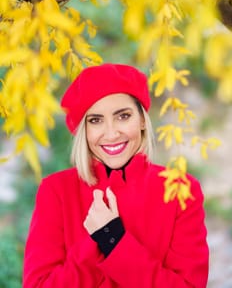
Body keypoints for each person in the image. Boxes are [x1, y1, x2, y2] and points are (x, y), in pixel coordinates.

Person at [23, 63, 209, 287]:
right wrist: (95, 241)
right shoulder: (57, 191)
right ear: (83, 130)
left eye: (123, 116)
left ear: (141, 120)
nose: (111, 133)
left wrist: (113, 240)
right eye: (95, 120)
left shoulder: (180, 189)